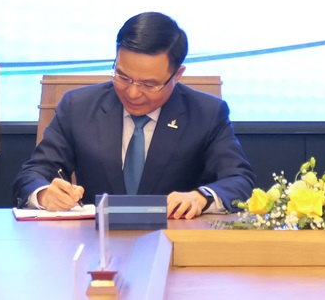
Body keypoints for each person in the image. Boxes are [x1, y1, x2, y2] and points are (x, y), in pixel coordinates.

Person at [13, 12, 255, 219]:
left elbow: (239, 179)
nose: (132, 92)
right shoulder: (78, 106)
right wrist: (45, 194)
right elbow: (33, 173)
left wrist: (200, 197)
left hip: (174, 239)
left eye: (149, 84)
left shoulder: (207, 113)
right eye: (122, 76)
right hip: (94, 240)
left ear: (177, 75)